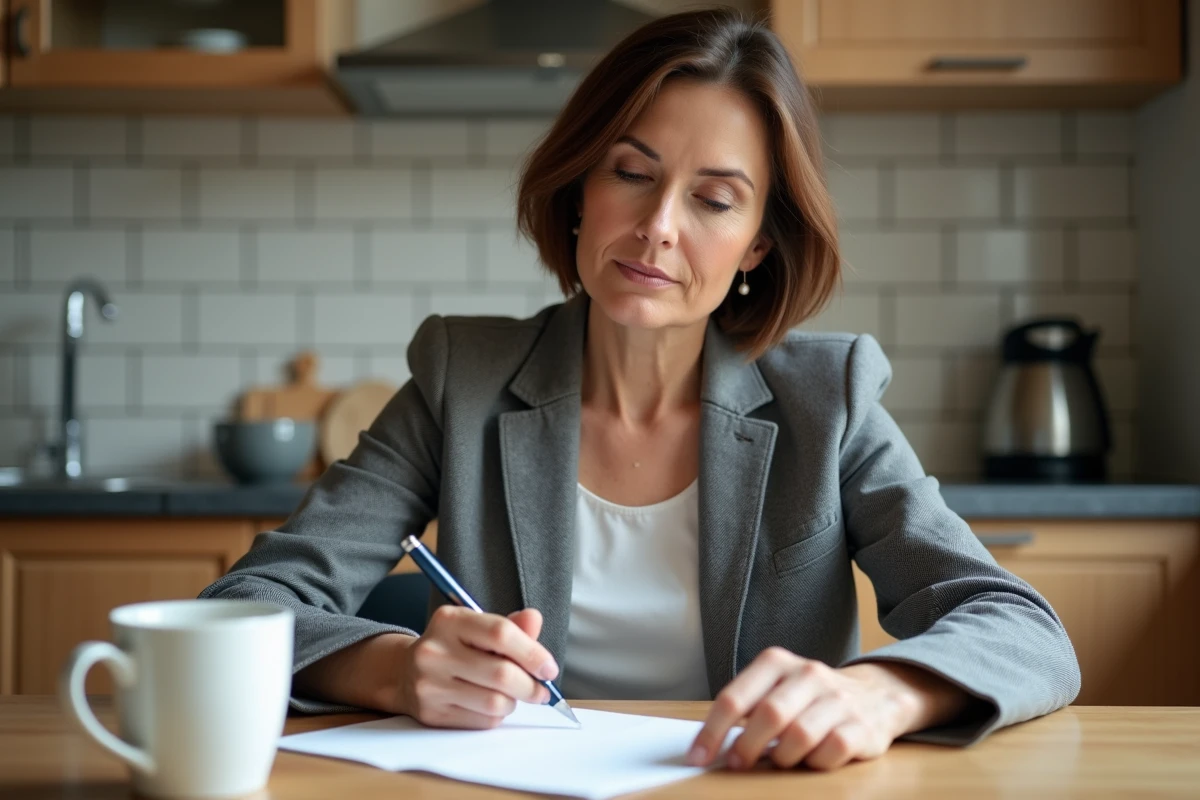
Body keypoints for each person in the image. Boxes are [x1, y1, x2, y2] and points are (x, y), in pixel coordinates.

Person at [200, 7, 1080, 772]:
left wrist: (882, 697)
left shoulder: (826, 399)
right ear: (581, 186)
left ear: (758, 246)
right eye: (631, 173)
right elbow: (243, 607)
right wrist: (395, 670)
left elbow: (1021, 627)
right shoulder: (459, 380)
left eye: (715, 200)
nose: (658, 228)